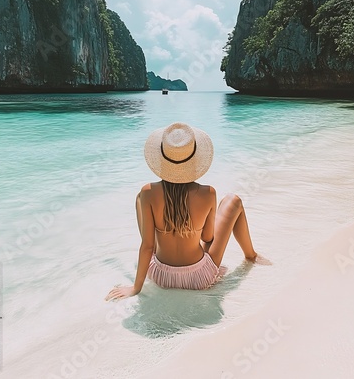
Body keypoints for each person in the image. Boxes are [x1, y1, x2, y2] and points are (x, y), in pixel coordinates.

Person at [105, 122, 269, 301]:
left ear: (162, 160)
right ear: (195, 161)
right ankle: (251, 256)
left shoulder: (147, 193)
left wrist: (136, 287)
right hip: (199, 279)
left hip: (161, 276)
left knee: (140, 200)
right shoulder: (208, 193)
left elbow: (147, 246)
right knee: (233, 200)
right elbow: (207, 238)